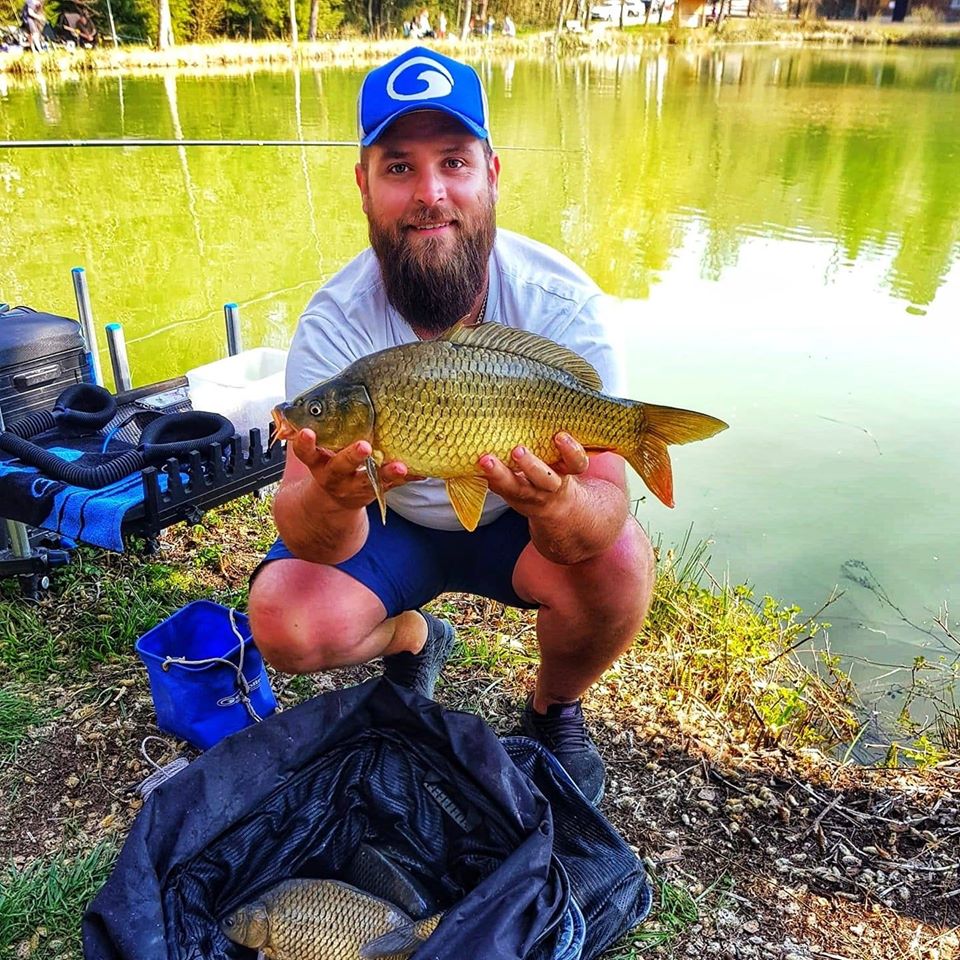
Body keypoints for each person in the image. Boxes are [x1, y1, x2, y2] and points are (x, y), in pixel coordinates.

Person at [248, 46, 654, 806]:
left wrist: (558, 503)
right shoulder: (334, 326)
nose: (430, 193)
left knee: (620, 563)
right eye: (399, 167)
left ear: (491, 174)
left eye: (454, 163)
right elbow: (308, 532)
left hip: (516, 522)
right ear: (364, 187)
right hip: (390, 521)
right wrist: (334, 499)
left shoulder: (563, 304)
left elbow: (600, 516)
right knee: (286, 619)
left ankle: (553, 709)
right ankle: (416, 637)